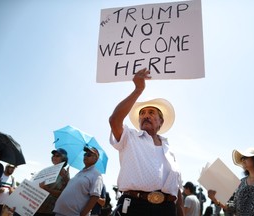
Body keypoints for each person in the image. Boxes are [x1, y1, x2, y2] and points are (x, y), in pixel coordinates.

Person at [109, 68, 183, 216]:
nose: (146, 116)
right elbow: (114, 119)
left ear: (160, 121)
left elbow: (177, 189)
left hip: (166, 209)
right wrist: (138, 89)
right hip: (134, 207)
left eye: (151, 113)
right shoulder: (129, 137)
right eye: (142, 113)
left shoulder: (170, 150)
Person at [208, 147, 254, 216]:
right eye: (241, 159)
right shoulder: (241, 183)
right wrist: (215, 200)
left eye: (245, 157)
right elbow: (234, 207)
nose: (242, 160)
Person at [53, 147, 103, 216]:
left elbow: (95, 196)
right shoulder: (80, 173)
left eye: (89, 155)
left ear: (96, 158)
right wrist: (66, 179)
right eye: (85, 154)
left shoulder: (96, 175)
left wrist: (82, 214)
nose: (85, 156)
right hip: (60, 212)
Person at [34, 148, 70, 216]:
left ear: (64, 159)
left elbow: (63, 194)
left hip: (49, 211)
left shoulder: (65, 174)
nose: (54, 157)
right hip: (36, 206)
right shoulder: (47, 170)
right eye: (54, 155)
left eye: (58, 156)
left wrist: (46, 189)